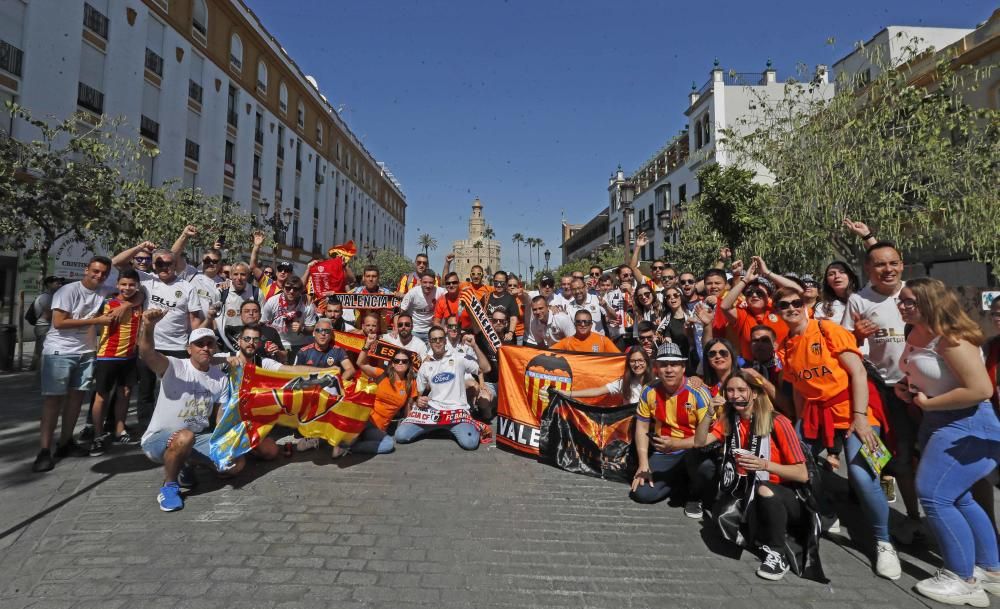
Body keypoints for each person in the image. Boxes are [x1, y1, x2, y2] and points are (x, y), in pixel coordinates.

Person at [774, 286, 901, 580]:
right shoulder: (786, 345)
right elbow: (799, 392)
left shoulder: (828, 330)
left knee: (861, 473)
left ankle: (884, 542)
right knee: (794, 458)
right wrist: (799, 426)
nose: (791, 308)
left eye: (796, 302)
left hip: (854, 409)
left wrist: (860, 418)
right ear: (777, 310)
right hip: (817, 415)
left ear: (806, 303)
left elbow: (857, 372)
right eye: (784, 305)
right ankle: (827, 512)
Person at [894, 279, 1000, 605]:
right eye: (901, 300)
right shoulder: (917, 333)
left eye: (909, 301)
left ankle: (962, 579)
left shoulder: (952, 339)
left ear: (929, 302)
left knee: (935, 497)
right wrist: (907, 385)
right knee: (961, 498)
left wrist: (928, 404)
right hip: (941, 422)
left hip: (966, 425)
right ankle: (990, 569)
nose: (902, 306)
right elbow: (930, 373)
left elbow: (980, 389)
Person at [693, 371, 811, 581]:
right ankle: (758, 529)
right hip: (747, 489)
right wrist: (710, 412)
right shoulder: (732, 419)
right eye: (730, 390)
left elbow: (802, 475)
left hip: (784, 495)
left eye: (741, 390)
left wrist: (764, 464)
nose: (735, 395)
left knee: (764, 489)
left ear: (755, 393)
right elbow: (700, 442)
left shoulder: (778, 422)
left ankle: (777, 553)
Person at [842, 239, 922, 542]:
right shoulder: (859, 301)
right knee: (879, 449)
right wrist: (856, 335)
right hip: (877, 388)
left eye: (893, 263)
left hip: (918, 389)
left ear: (902, 265)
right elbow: (848, 347)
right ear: (867, 269)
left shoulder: (916, 293)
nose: (887, 269)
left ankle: (915, 516)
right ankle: (882, 498)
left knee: (916, 454)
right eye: (879, 264)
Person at [138, 311, 239, 512]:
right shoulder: (174, 366)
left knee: (236, 464)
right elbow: (147, 353)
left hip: (196, 437)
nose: (205, 348)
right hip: (158, 439)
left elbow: (219, 418)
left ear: (215, 348)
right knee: (184, 437)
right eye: (199, 344)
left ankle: (186, 463)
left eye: (210, 344)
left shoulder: (219, 378)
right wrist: (148, 327)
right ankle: (169, 486)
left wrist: (231, 443)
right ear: (188, 348)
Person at [33, 257, 117, 472]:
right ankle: (44, 450)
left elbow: (123, 277)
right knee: (53, 401)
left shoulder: (102, 290)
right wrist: (97, 321)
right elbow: (59, 322)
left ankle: (65, 442)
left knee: (76, 399)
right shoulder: (67, 291)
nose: (98, 276)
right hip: (60, 351)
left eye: (103, 273)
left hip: (86, 352)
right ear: (86, 270)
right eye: (95, 271)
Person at [112, 244, 205, 428]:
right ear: (153, 265)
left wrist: (194, 345)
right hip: (148, 346)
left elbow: (194, 319)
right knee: (145, 391)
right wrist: (139, 246)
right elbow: (117, 262)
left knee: (174, 391)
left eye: (168, 263)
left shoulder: (187, 287)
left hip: (177, 348)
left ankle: (174, 426)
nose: (164, 267)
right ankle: (147, 429)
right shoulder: (146, 280)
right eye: (159, 263)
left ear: (175, 264)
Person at [631, 342, 716, 518]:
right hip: (665, 452)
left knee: (706, 468)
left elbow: (710, 434)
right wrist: (643, 463)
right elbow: (642, 427)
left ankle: (694, 496)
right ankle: (680, 483)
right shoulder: (649, 391)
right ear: (656, 368)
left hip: (694, 449)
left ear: (683, 367)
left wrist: (677, 444)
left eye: (674, 364)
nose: (669, 369)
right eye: (663, 365)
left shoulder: (698, 392)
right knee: (642, 494)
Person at [395, 325, 483, 450]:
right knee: (400, 436)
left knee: (470, 443)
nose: (437, 342)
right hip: (433, 412)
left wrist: (474, 346)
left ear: (445, 340)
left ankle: (451, 428)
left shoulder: (458, 358)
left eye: (440, 339)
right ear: (429, 342)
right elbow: (416, 395)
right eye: (434, 339)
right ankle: (439, 428)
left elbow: (485, 368)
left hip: (456, 412)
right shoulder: (426, 365)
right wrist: (417, 400)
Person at [88, 269, 144, 456]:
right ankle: (97, 434)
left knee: (125, 393)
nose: (127, 288)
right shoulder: (108, 302)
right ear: (118, 284)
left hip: (129, 357)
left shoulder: (139, 303)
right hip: (108, 356)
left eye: (131, 285)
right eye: (124, 284)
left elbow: (140, 296)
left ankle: (120, 429)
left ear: (137, 285)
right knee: (101, 396)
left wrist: (128, 304)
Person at [720, 257, 801, 361]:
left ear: (769, 296)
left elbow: (798, 291)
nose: (754, 295)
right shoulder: (743, 314)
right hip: (753, 369)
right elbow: (724, 306)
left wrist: (767, 272)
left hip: (783, 367)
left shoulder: (779, 310)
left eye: (759, 293)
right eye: (749, 293)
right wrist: (745, 280)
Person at [354, 336, 419, 454]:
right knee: (387, 443)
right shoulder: (382, 374)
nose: (400, 363)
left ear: (409, 364)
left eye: (404, 361)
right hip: (365, 420)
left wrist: (407, 425)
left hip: (379, 428)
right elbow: (360, 363)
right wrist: (367, 345)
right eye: (396, 361)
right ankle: (352, 443)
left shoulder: (411, 383)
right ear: (392, 363)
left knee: (388, 445)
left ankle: (353, 447)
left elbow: (408, 408)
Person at [561, 345, 653, 404]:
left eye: (640, 360)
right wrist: (567, 393)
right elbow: (596, 391)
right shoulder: (624, 383)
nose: (637, 365)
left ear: (647, 361)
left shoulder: (656, 383)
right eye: (633, 361)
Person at [261, 275, 317, 357]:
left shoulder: (307, 305)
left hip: (300, 343)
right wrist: (269, 342)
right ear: (283, 288)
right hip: (279, 343)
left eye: (296, 289)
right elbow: (263, 324)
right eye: (288, 288)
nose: (291, 291)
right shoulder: (272, 302)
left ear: (301, 290)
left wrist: (302, 329)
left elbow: (312, 329)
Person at [215, 262, 261, 352]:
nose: (239, 278)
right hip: (226, 339)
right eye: (235, 274)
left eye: (243, 274)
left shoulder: (257, 292)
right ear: (231, 276)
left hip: (249, 338)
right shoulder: (221, 291)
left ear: (248, 276)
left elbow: (262, 318)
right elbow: (214, 317)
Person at [399, 271, 444, 345]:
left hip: (431, 330)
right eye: (425, 282)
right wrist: (400, 328)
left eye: (430, 282)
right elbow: (402, 310)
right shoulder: (413, 292)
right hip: (414, 330)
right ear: (420, 281)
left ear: (435, 282)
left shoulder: (440, 291)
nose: (428, 285)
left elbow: (452, 295)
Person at [29, 276, 63, 371]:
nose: (60, 285)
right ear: (49, 284)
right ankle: (40, 376)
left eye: (60, 283)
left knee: (42, 352)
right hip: (44, 327)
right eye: (57, 283)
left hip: (45, 327)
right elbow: (48, 315)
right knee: (44, 353)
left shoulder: (51, 296)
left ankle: (38, 372)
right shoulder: (46, 297)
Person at [657, 286, 694, 371]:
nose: (672, 298)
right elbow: (667, 340)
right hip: (679, 361)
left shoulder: (693, 315)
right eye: (668, 297)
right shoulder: (666, 322)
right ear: (666, 301)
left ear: (681, 297)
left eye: (675, 295)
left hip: (695, 357)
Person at [249, 230, 293, 301]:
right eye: (280, 270)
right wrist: (256, 246)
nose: (282, 272)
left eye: (286, 270)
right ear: (276, 272)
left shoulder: (292, 290)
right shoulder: (267, 282)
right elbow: (253, 266)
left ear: (291, 274)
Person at [553, 310, 620, 353]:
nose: (582, 325)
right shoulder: (567, 342)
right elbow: (547, 354)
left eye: (586, 322)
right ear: (575, 324)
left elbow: (619, 358)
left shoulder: (603, 340)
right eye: (579, 322)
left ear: (591, 325)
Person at [484, 271, 519, 339]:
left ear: (506, 283)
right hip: (489, 337)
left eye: (502, 283)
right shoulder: (486, 297)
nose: (499, 285)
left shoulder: (510, 298)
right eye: (496, 282)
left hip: (505, 337)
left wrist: (510, 333)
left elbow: (513, 318)